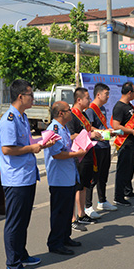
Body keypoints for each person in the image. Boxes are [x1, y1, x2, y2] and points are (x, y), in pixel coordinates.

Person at [0, 79, 55, 269]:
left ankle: (21, 254)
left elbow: (27, 143)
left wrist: (43, 143)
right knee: (15, 222)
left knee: (24, 219)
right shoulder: (9, 119)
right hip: (16, 179)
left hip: (26, 176)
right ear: (21, 96)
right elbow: (7, 149)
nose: (33, 98)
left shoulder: (22, 117)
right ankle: (12, 264)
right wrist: (32, 148)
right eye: (30, 95)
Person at [44, 101, 88, 256]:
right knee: (59, 212)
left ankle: (65, 237)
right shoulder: (53, 129)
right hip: (59, 178)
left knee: (68, 209)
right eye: (68, 110)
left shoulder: (62, 128)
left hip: (68, 176)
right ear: (61, 113)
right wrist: (78, 154)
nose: (71, 112)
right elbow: (56, 154)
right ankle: (55, 242)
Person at [66, 87, 103, 229]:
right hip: (77, 156)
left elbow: (89, 130)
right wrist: (89, 136)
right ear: (79, 100)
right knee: (77, 187)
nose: (89, 100)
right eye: (87, 98)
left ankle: (81, 214)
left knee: (85, 186)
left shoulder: (84, 115)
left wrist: (101, 133)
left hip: (87, 153)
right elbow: (70, 136)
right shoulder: (72, 115)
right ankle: (73, 218)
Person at [86, 83, 117, 212]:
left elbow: (102, 126)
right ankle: (87, 206)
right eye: (106, 94)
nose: (108, 96)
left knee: (103, 176)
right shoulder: (90, 109)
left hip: (105, 144)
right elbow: (89, 127)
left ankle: (102, 200)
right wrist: (101, 131)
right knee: (93, 177)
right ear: (98, 94)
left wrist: (108, 131)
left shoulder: (102, 108)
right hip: (96, 147)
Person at [111, 82, 134, 206]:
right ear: (129, 93)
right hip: (124, 141)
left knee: (130, 168)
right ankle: (118, 196)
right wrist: (132, 131)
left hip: (132, 141)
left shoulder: (130, 105)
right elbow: (116, 126)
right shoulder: (119, 107)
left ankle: (128, 191)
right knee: (122, 169)